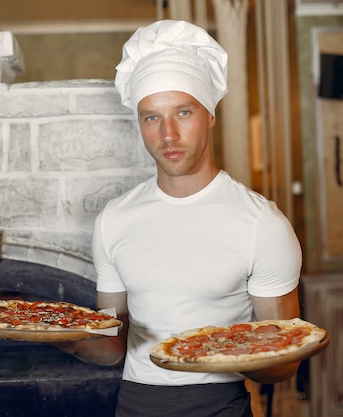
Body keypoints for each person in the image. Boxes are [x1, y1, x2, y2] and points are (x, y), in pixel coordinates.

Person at [58, 19, 302, 417]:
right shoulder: (114, 220)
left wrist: (216, 352)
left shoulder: (263, 224)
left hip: (220, 407)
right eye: (151, 117)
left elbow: (284, 361)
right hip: (134, 405)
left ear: (210, 115)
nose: (167, 134)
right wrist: (53, 334)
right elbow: (110, 348)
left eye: (183, 112)